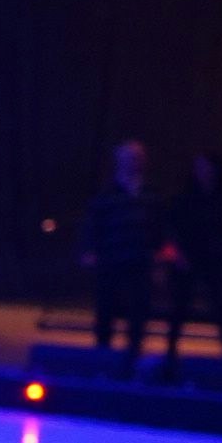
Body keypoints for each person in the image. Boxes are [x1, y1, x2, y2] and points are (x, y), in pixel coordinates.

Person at [84, 140, 158, 357]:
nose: (132, 162)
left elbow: (158, 224)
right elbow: (92, 223)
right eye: (128, 158)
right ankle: (103, 353)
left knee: (139, 309)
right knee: (106, 307)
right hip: (111, 258)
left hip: (140, 259)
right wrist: (89, 250)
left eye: (136, 158)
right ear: (118, 161)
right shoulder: (106, 193)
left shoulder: (150, 192)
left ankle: (134, 352)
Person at [162, 150, 222, 364]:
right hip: (189, 257)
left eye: (207, 167)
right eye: (200, 167)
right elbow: (173, 226)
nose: (204, 171)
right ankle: (171, 351)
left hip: (213, 259)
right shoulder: (186, 197)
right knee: (180, 306)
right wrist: (180, 254)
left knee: (220, 306)